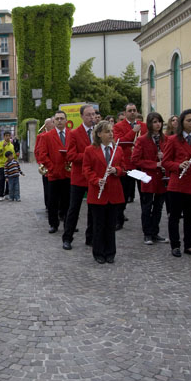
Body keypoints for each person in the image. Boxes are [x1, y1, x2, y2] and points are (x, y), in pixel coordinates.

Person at [162, 108, 191, 257]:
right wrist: (178, 166)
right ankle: (175, 245)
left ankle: (188, 246)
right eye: (188, 120)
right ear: (182, 122)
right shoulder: (172, 140)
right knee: (175, 217)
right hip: (177, 184)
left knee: (190, 218)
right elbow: (165, 162)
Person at [83, 120, 126, 264]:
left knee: (111, 225)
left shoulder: (118, 150)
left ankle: (110, 252)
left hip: (114, 193)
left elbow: (124, 168)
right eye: (107, 132)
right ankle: (98, 252)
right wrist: (97, 180)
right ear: (99, 134)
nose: (111, 134)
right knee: (98, 225)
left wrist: (116, 170)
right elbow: (86, 170)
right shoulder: (90, 150)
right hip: (97, 193)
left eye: (112, 131)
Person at [131, 111, 168, 245]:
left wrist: (165, 159)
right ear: (149, 124)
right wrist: (154, 164)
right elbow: (135, 159)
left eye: (159, 121)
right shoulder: (142, 140)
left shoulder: (166, 139)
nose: (158, 124)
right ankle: (147, 233)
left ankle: (155, 232)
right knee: (147, 207)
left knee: (158, 207)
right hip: (148, 178)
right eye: (154, 122)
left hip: (161, 179)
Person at [63, 104, 96, 250]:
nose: (92, 117)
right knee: (73, 209)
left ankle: (90, 237)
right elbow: (70, 155)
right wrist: (89, 155)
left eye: (93, 114)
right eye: (88, 115)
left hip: (93, 177)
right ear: (82, 116)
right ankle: (67, 238)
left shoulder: (98, 132)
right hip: (79, 177)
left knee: (93, 209)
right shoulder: (74, 133)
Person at [35, 111, 72, 233]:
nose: (60, 121)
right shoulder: (46, 136)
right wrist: (52, 167)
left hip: (68, 173)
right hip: (53, 173)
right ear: (54, 121)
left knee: (67, 200)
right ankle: (53, 224)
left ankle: (68, 222)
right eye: (57, 119)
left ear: (66, 120)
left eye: (62, 118)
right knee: (53, 201)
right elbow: (42, 154)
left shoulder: (72, 134)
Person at [113, 103, 147, 229]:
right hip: (126, 165)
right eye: (130, 110)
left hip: (140, 164)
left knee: (144, 194)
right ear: (125, 112)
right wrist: (133, 132)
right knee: (123, 195)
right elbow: (118, 142)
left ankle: (146, 223)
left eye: (134, 110)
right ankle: (119, 219)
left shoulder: (144, 126)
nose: (132, 112)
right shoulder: (118, 126)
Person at [36, 117, 54, 210]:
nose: (53, 124)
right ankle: (48, 205)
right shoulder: (41, 136)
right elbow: (37, 151)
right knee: (46, 187)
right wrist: (40, 163)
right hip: (45, 166)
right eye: (52, 123)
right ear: (47, 125)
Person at [0, 130, 15, 200]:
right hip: (2, 165)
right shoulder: (0, 143)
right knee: (2, 179)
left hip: (10, 165)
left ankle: (7, 193)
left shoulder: (11, 145)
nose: (8, 137)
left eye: (9, 136)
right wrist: (2, 147)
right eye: (6, 136)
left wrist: (14, 163)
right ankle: (1, 195)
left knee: (9, 179)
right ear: (4, 136)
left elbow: (13, 155)